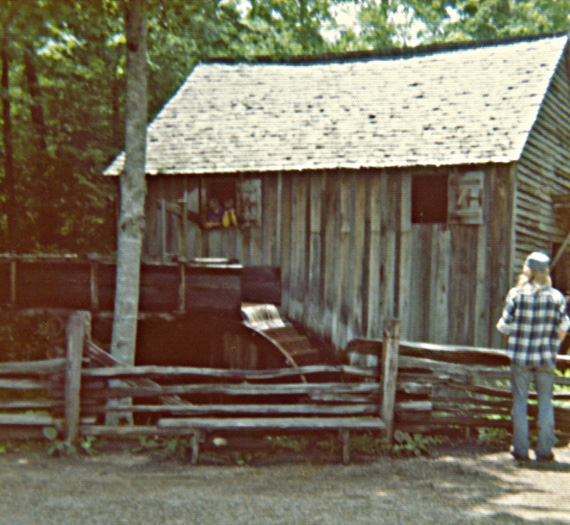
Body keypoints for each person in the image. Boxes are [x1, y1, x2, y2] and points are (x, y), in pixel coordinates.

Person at [497, 251, 570, 462]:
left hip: (520, 356)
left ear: (527, 270)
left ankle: (520, 451)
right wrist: (553, 343)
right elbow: (564, 326)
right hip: (546, 357)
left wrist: (520, 332)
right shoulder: (556, 297)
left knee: (520, 401)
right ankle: (544, 451)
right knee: (545, 402)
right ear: (546, 271)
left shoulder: (516, 294)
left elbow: (503, 325)